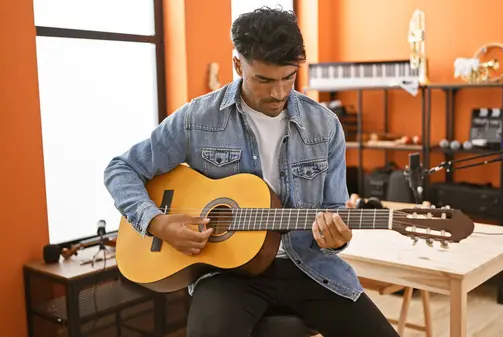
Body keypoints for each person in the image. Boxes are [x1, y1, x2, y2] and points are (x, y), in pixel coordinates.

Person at [104, 6, 399, 337]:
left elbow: (332, 212)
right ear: (237, 64)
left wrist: (335, 239)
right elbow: (121, 169)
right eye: (264, 79)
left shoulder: (325, 126)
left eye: (289, 78)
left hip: (309, 267)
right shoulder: (198, 118)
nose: (278, 93)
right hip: (226, 274)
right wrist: (156, 222)